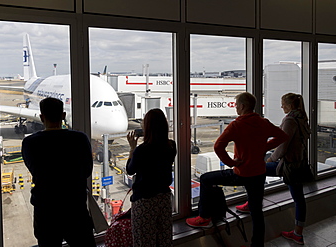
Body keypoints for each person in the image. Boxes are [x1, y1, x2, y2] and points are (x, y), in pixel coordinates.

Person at [186, 92, 288, 247]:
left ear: (242, 106)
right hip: (259, 173)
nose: (235, 108)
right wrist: (263, 148)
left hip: (242, 172)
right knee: (257, 213)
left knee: (206, 179)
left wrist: (231, 162)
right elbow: (282, 136)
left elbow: (218, 146)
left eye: (236, 105)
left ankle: (204, 217)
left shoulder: (237, 125)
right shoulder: (263, 122)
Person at [236, 93, 311, 245]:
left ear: (289, 106)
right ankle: (298, 233)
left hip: (288, 165)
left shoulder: (290, 120)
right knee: (299, 199)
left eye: (283, 104)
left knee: (259, 169)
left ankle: (252, 203)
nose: (281, 107)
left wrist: (270, 158)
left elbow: (283, 146)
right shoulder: (302, 117)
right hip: (299, 163)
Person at [22, 97, 96, 247]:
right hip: (75, 208)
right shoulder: (80, 139)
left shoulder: (30, 143)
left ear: (42, 117)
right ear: (63, 116)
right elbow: (87, 170)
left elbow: (34, 169)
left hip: (46, 209)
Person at [126, 108, 177, 247]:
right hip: (164, 200)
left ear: (147, 127)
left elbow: (130, 170)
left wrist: (132, 148)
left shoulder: (142, 150)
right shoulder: (172, 146)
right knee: (164, 240)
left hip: (145, 202)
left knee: (144, 242)